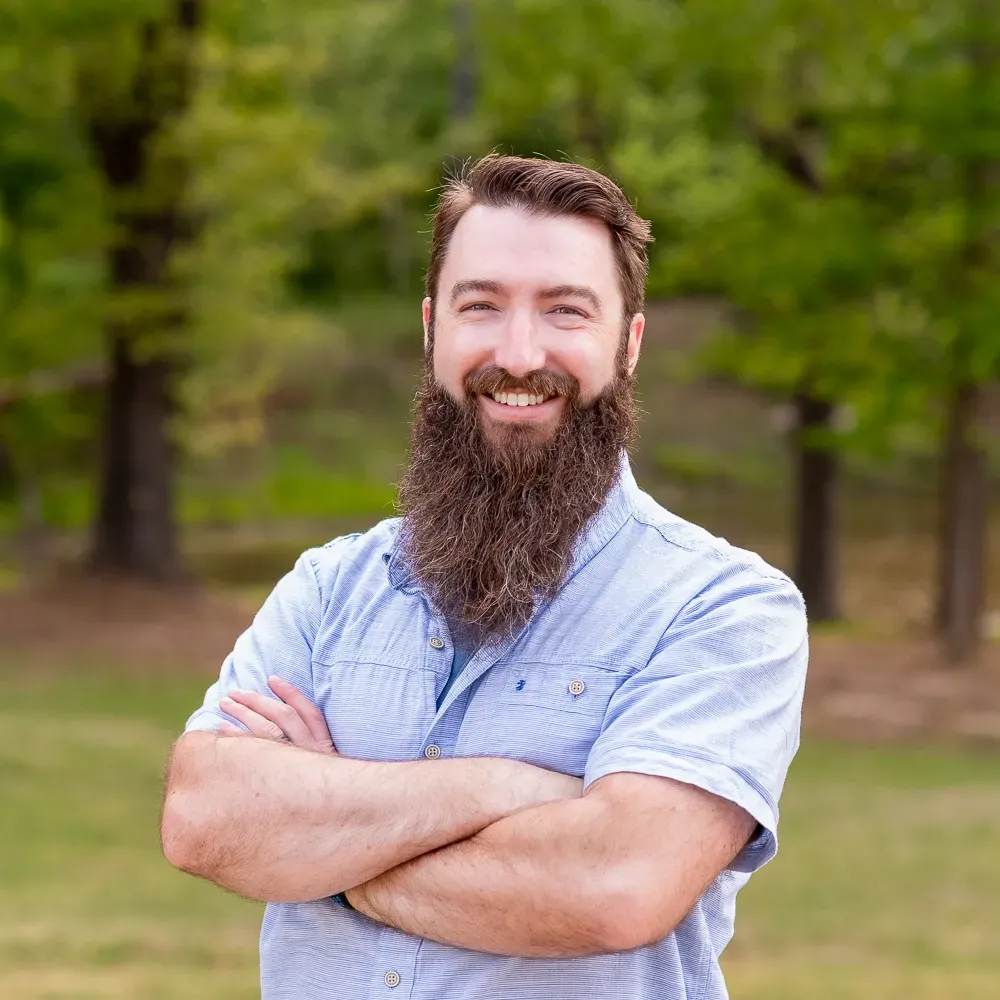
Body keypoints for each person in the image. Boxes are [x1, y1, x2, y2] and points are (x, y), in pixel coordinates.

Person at [161, 154, 808, 1000]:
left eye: (565, 311)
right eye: (482, 306)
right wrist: (504, 791)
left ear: (629, 342)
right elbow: (204, 820)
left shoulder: (723, 609)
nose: (518, 352)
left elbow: (613, 888)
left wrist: (325, 854)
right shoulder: (331, 588)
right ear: (433, 327)